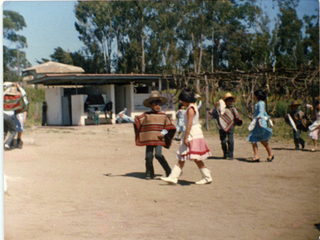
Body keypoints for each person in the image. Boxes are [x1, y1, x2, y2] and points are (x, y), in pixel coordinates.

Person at [119, 91, 176, 179]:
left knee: (158, 155)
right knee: (148, 157)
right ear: (150, 105)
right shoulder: (146, 115)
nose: (157, 106)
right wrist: (124, 117)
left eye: (159, 104)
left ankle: (168, 171)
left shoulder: (164, 116)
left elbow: (169, 126)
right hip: (149, 139)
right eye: (155, 104)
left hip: (159, 139)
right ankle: (149, 172)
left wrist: (163, 133)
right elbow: (136, 121)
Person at [161, 88, 212, 185]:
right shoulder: (193, 106)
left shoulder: (190, 109)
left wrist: (186, 137)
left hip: (192, 133)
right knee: (184, 155)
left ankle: (206, 176)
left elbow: (189, 124)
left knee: (192, 156)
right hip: (193, 132)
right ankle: (174, 177)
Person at [211, 92, 242, 160]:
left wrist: (236, 121)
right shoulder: (221, 109)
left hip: (231, 127)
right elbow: (213, 113)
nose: (230, 103)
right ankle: (225, 153)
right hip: (222, 127)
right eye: (229, 101)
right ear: (225, 101)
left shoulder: (233, 109)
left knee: (231, 141)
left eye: (231, 101)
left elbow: (237, 116)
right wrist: (216, 106)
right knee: (223, 141)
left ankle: (230, 154)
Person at [247, 90, 274, 162]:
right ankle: (259, 156)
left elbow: (261, 113)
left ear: (257, 96)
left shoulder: (260, 104)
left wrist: (259, 121)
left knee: (258, 139)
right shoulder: (259, 103)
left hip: (259, 123)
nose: (253, 97)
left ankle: (266, 155)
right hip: (257, 123)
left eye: (254, 96)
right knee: (256, 139)